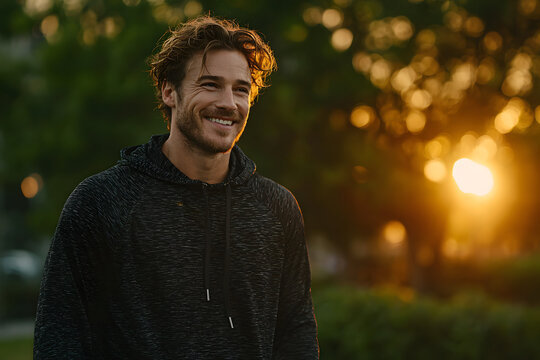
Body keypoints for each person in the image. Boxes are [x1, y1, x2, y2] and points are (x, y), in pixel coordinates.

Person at [33, 16, 319, 359]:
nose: (229, 102)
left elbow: (296, 334)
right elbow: (60, 336)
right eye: (210, 84)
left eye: (241, 89)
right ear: (169, 91)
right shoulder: (102, 201)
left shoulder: (276, 208)